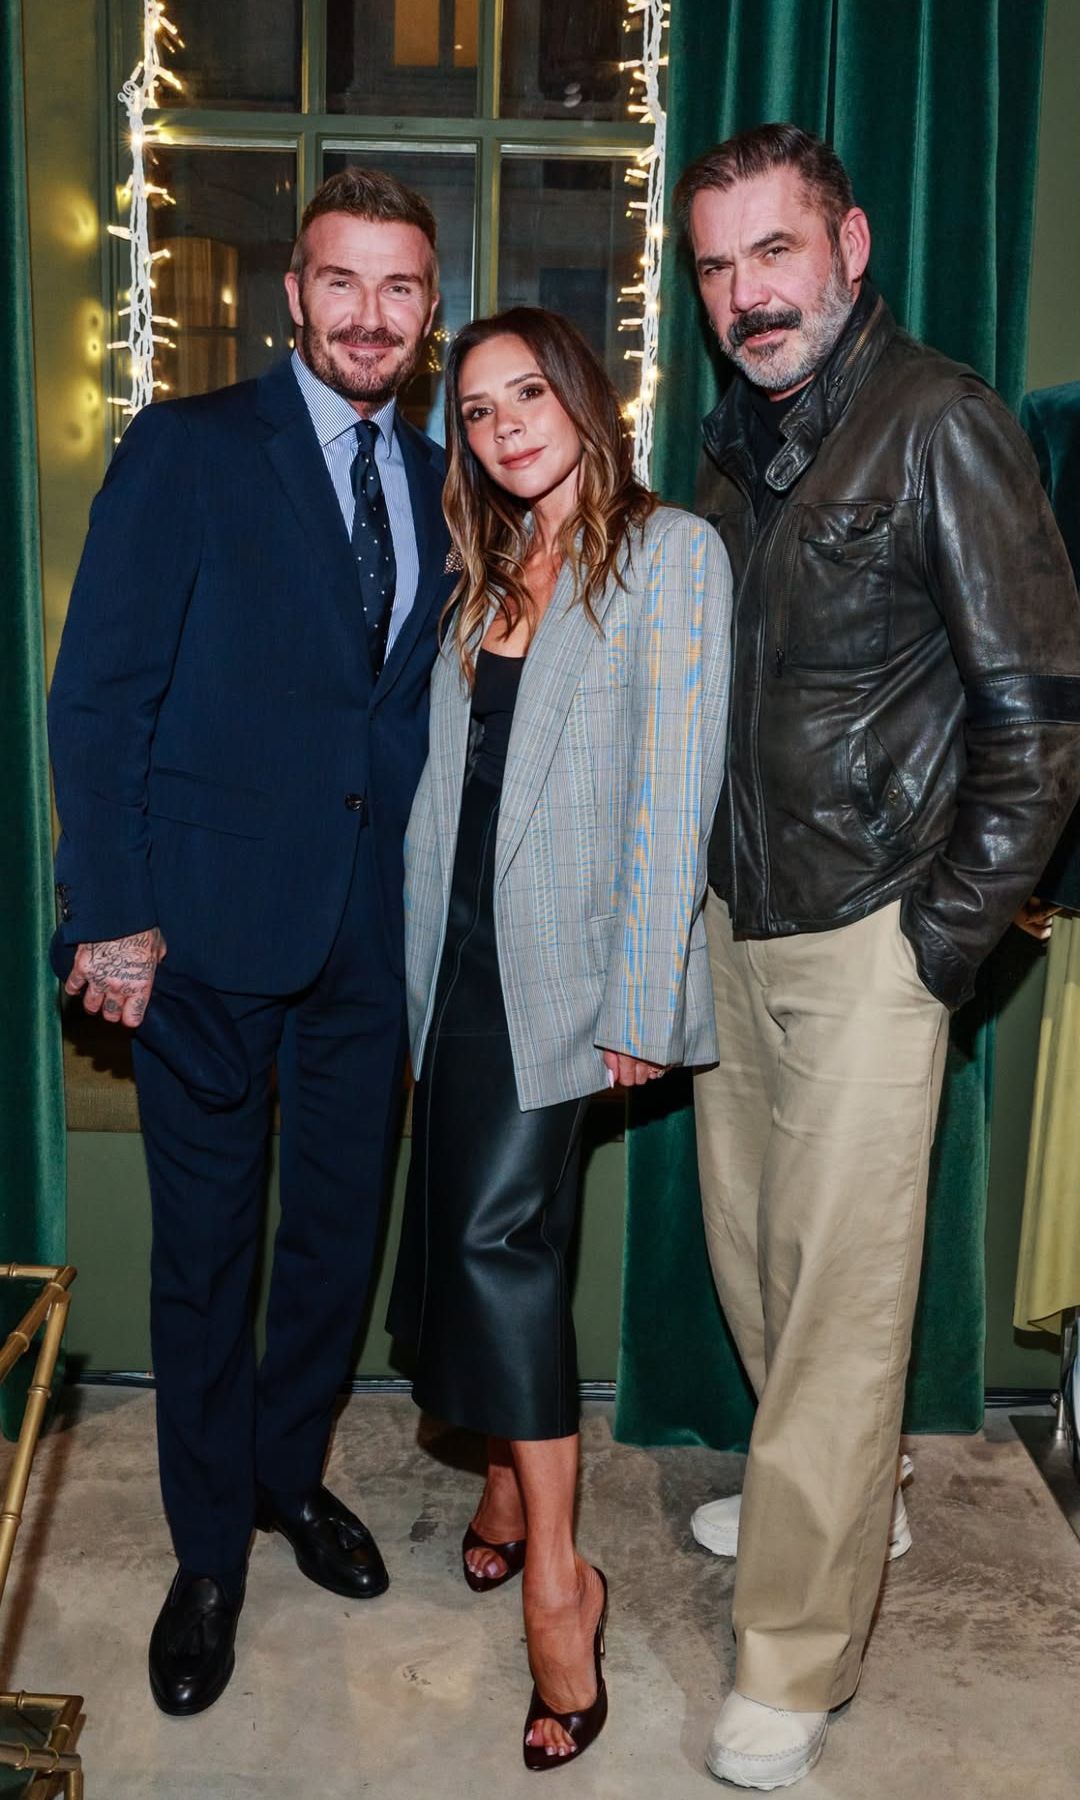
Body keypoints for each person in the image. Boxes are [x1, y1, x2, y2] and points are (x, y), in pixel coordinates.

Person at [675, 123, 1080, 1789]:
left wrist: (938, 944)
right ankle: (849, 1495)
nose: (746, 295)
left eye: (774, 252)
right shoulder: (738, 442)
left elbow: (1040, 724)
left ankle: (795, 1654)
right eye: (717, 267)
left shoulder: (942, 423)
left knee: (841, 1307)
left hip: (868, 940)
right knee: (762, 1264)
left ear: (848, 248)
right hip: (734, 923)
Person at [48, 167, 456, 1716]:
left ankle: (290, 1475)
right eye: (341, 281)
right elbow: (99, 699)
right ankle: (209, 1550)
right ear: (295, 295)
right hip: (203, 939)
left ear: (429, 308)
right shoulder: (191, 447)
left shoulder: (443, 481)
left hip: (369, 942)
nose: (369, 314)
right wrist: (114, 916)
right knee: (209, 1260)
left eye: (399, 287)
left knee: (336, 1246)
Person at [387, 306, 732, 1769]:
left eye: (527, 394)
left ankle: (557, 1584)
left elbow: (676, 788)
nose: (503, 427)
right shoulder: (487, 566)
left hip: (572, 972)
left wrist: (644, 996)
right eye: (476, 411)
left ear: (584, 396)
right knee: (475, 1235)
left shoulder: (670, 553)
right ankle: (503, 1486)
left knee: (496, 1246)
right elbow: (451, 791)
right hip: (456, 960)